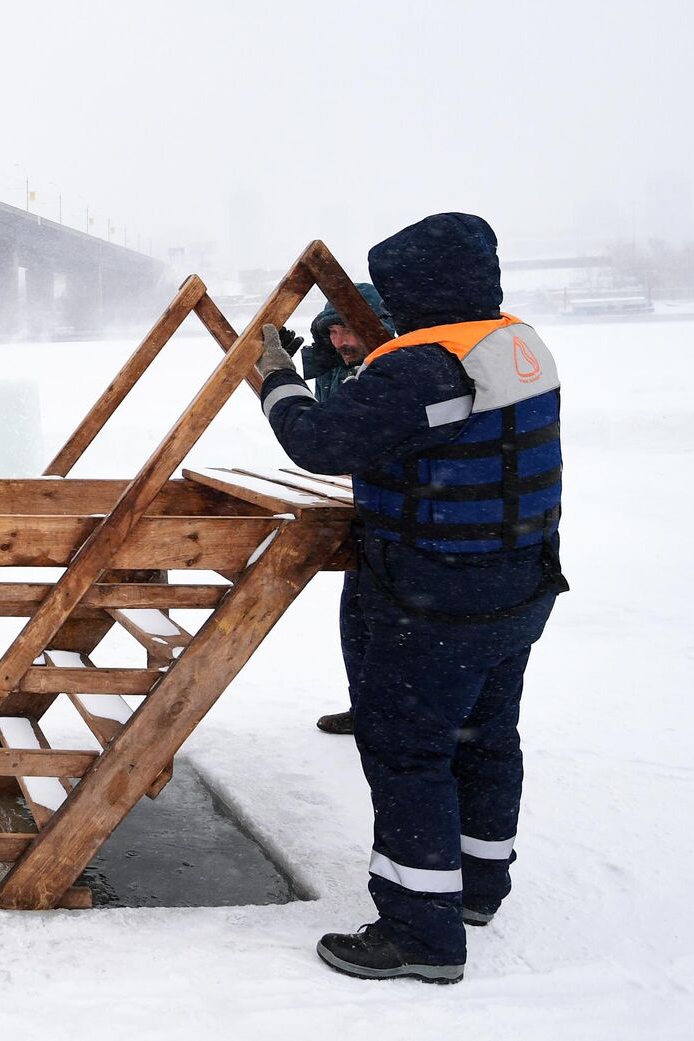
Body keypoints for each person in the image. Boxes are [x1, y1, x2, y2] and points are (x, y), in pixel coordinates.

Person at [255, 214, 566, 985]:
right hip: (518, 585)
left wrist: (274, 376)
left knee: (409, 754)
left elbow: (320, 441)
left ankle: (420, 932)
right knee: (485, 738)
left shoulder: (425, 366)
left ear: (417, 288)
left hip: (434, 598)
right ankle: (478, 889)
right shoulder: (519, 344)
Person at [294, 283, 397, 737]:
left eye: (351, 328)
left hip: (404, 515)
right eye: (333, 330)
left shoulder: (395, 369)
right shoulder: (337, 366)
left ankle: (395, 718)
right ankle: (369, 709)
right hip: (365, 507)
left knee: (390, 622)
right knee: (356, 614)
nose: (342, 341)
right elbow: (323, 433)